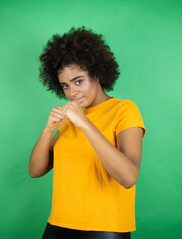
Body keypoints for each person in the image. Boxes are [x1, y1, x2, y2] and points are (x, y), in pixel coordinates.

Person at [29, 26, 146, 239]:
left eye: (78, 81)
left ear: (97, 74)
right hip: (58, 225)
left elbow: (129, 177)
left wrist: (84, 123)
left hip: (105, 229)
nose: (72, 92)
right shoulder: (70, 118)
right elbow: (36, 170)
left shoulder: (124, 110)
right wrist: (48, 130)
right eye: (65, 85)